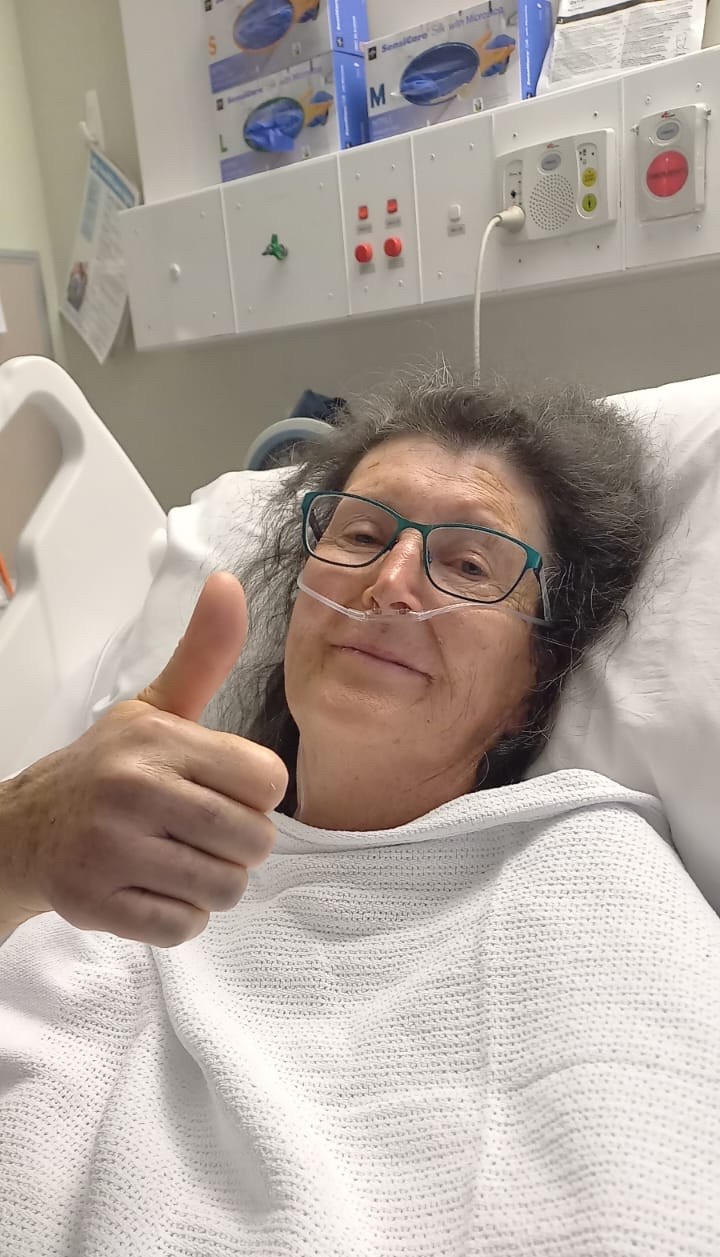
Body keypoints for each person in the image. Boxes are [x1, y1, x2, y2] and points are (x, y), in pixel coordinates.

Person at [0, 370, 719, 1256]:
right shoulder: (99, 829)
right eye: (364, 533)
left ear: (531, 687)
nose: (392, 581)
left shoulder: (592, 879)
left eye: (467, 563)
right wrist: (14, 842)